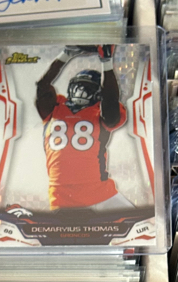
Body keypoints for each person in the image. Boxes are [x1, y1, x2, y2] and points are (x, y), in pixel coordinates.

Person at [36, 44, 132, 212]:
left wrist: (106, 62)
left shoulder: (98, 111)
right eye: (78, 86)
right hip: (65, 196)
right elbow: (42, 86)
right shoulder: (55, 107)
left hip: (97, 191)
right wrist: (66, 54)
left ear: (99, 94)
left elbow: (110, 103)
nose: (81, 91)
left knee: (142, 223)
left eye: (87, 88)